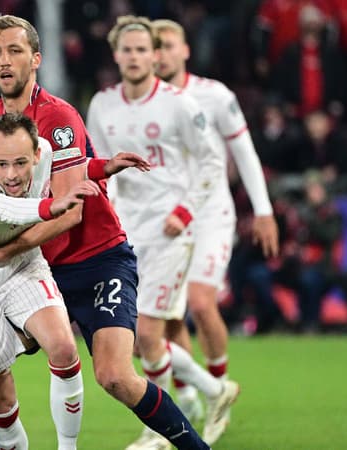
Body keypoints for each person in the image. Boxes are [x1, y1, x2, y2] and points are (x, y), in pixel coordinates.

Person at [0, 14, 209, 450]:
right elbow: (1, 203)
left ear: (35, 59)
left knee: (115, 377)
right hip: (36, 264)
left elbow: (67, 214)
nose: (5, 61)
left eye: (15, 50)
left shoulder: (58, 116)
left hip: (95, 260)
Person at [85, 16, 241, 449]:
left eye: (142, 50)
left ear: (155, 55)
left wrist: (185, 211)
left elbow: (212, 163)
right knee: (134, 342)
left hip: (172, 232)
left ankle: (159, 430)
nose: (134, 57)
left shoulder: (179, 104)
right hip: (124, 234)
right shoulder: (101, 105)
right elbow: (99, 169)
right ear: (116, 55)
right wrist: (105, 212)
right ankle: (213, 391)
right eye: (127, 50)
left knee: (148, 335)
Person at [0, 112, 103, 450]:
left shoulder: (48, 155)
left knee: (64, 347)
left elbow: (79, 167)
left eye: (21, 163)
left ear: (38, 154)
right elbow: (8, 210)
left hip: (21, 265)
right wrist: (52, 206)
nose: (11, 175)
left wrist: (105, 166)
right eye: (1, 164)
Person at [153, 18, 279, 439]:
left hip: (210, 214)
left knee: (202, 304)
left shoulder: (214, 95)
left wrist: (263, 210)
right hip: (164, 220)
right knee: (166, 322)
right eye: (153, 46)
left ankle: (218, 388)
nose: (160, 53)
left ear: (185, 50)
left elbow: (244, 152)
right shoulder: (142, 103)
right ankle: (193, 396)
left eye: (168, 45)